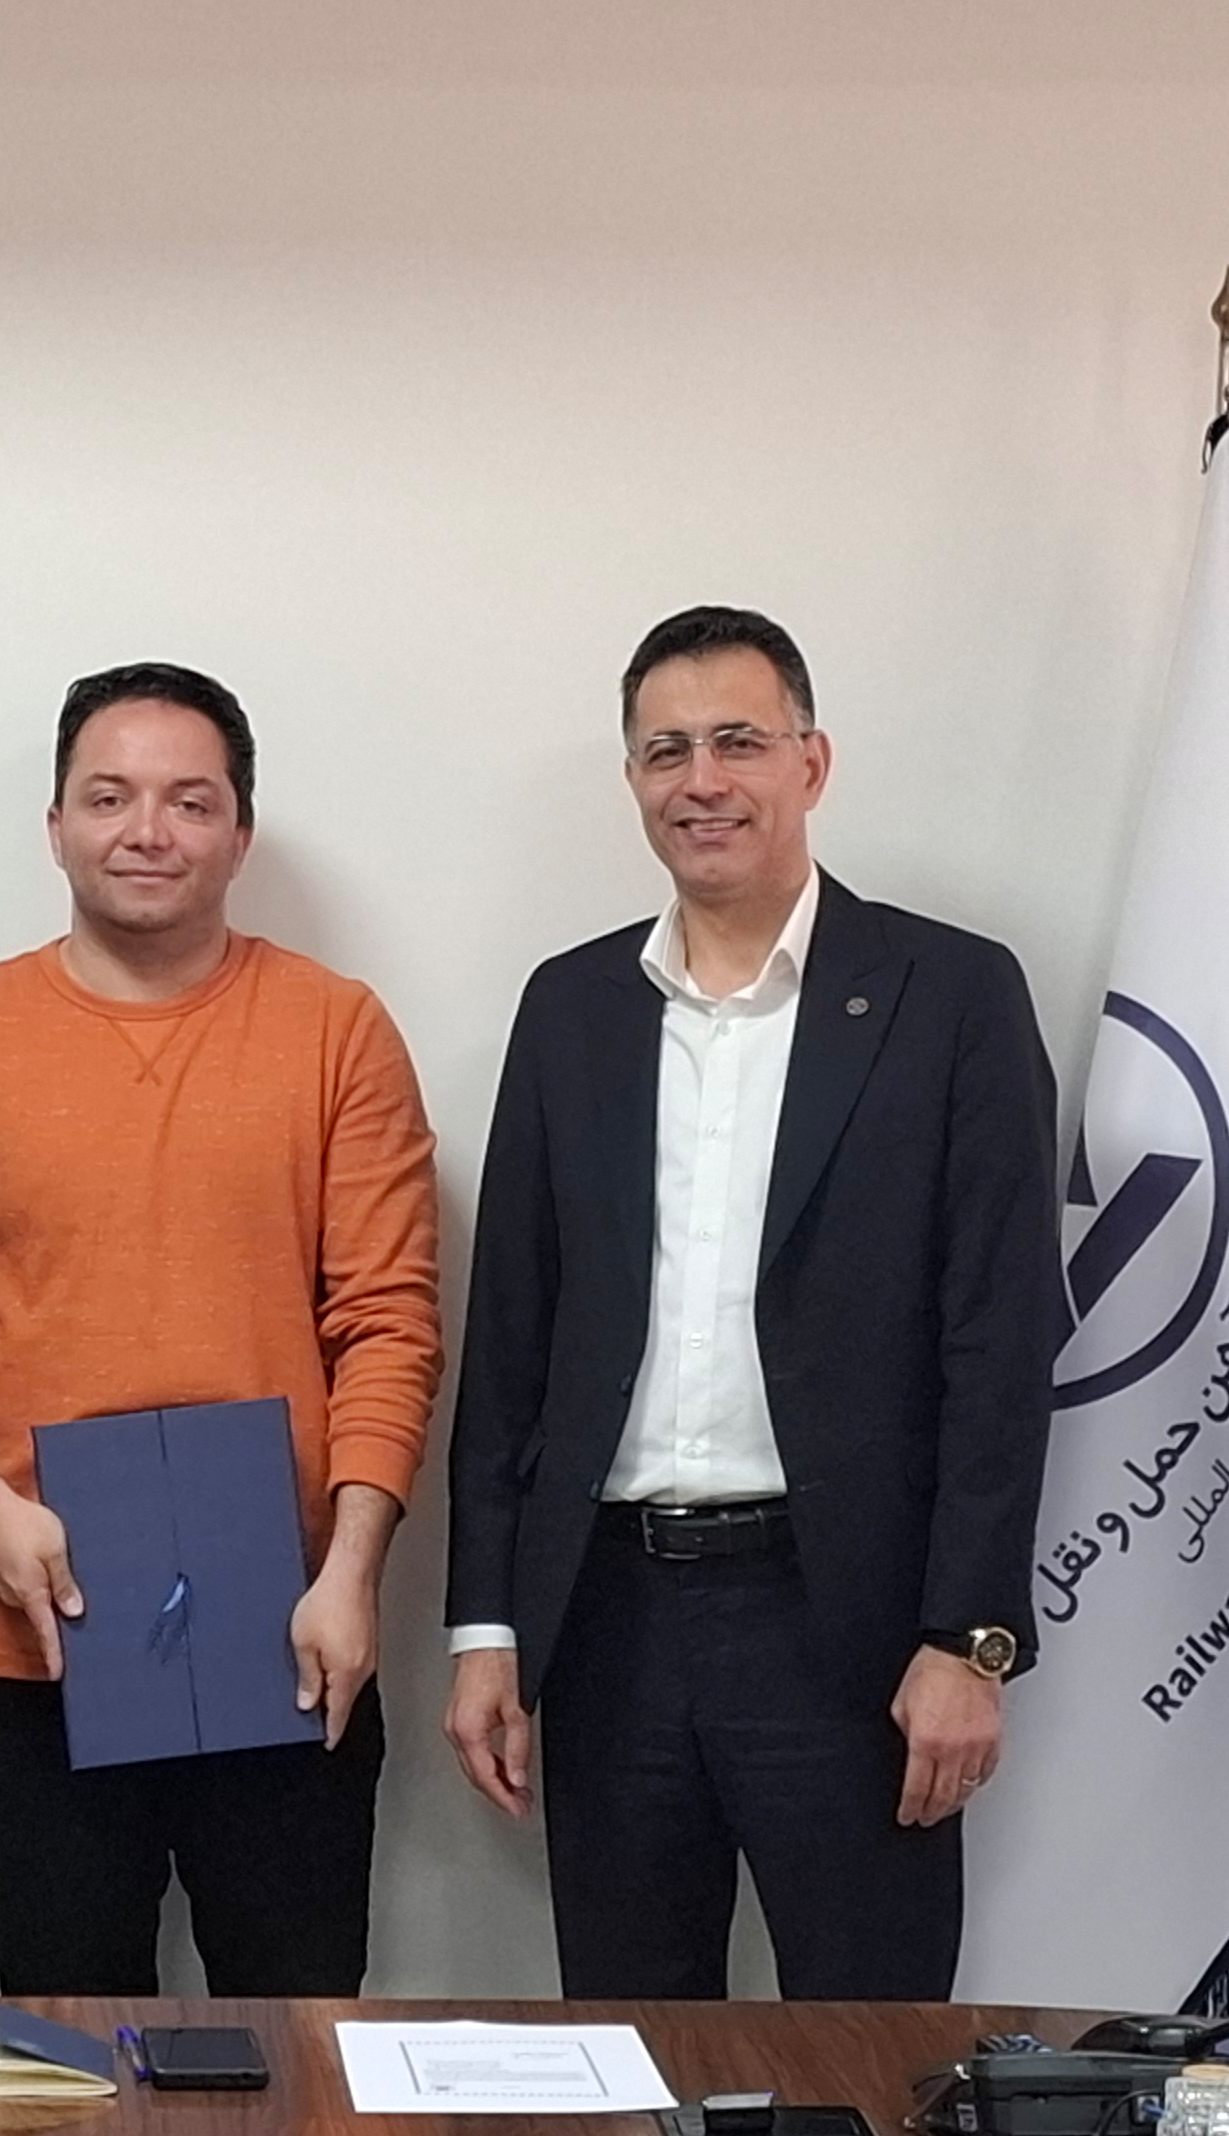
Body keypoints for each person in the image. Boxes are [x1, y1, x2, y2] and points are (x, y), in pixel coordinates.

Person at [438, 606, 1061, 2000]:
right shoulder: (572, 1008)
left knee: (872, 2047)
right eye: (667, 751)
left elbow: (1001, 1339)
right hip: (609, 1623)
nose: (702, 780)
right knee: (634, 2047)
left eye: (739, 742)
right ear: (633, 779)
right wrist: (486, 1630)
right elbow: (512, 1342)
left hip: (847, 1624)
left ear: (811, 763)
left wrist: (969, 1639)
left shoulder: (950, 994)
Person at [0, 661, 441, 1998]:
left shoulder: (337, 1033)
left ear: (240, 832)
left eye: (189, 800)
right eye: (108, 798)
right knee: (68, 2052)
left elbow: (388, 1320)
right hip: (33, 1634)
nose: (147, 830)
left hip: (288, 1630)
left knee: (299, 2041)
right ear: (56, 827)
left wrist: (354, 1571)